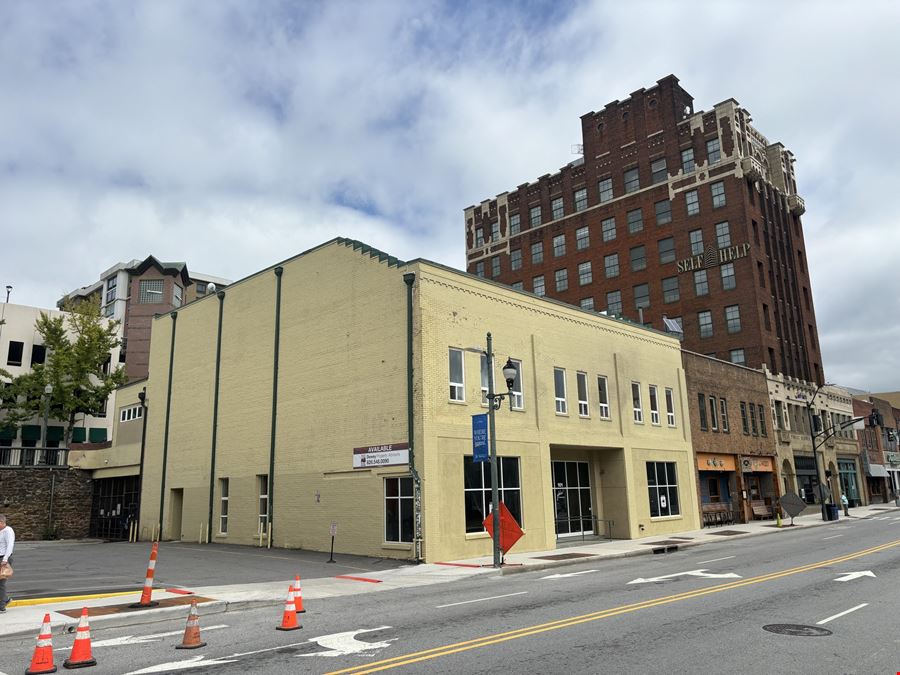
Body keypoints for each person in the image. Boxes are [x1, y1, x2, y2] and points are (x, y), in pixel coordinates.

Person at [0, 513, 13, 612]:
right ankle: (6, 599)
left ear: (2, 522)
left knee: (1, 583)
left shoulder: (8, 531)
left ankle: (1, 606)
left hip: (3, 559)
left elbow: (10, 545)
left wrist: (5, 559)